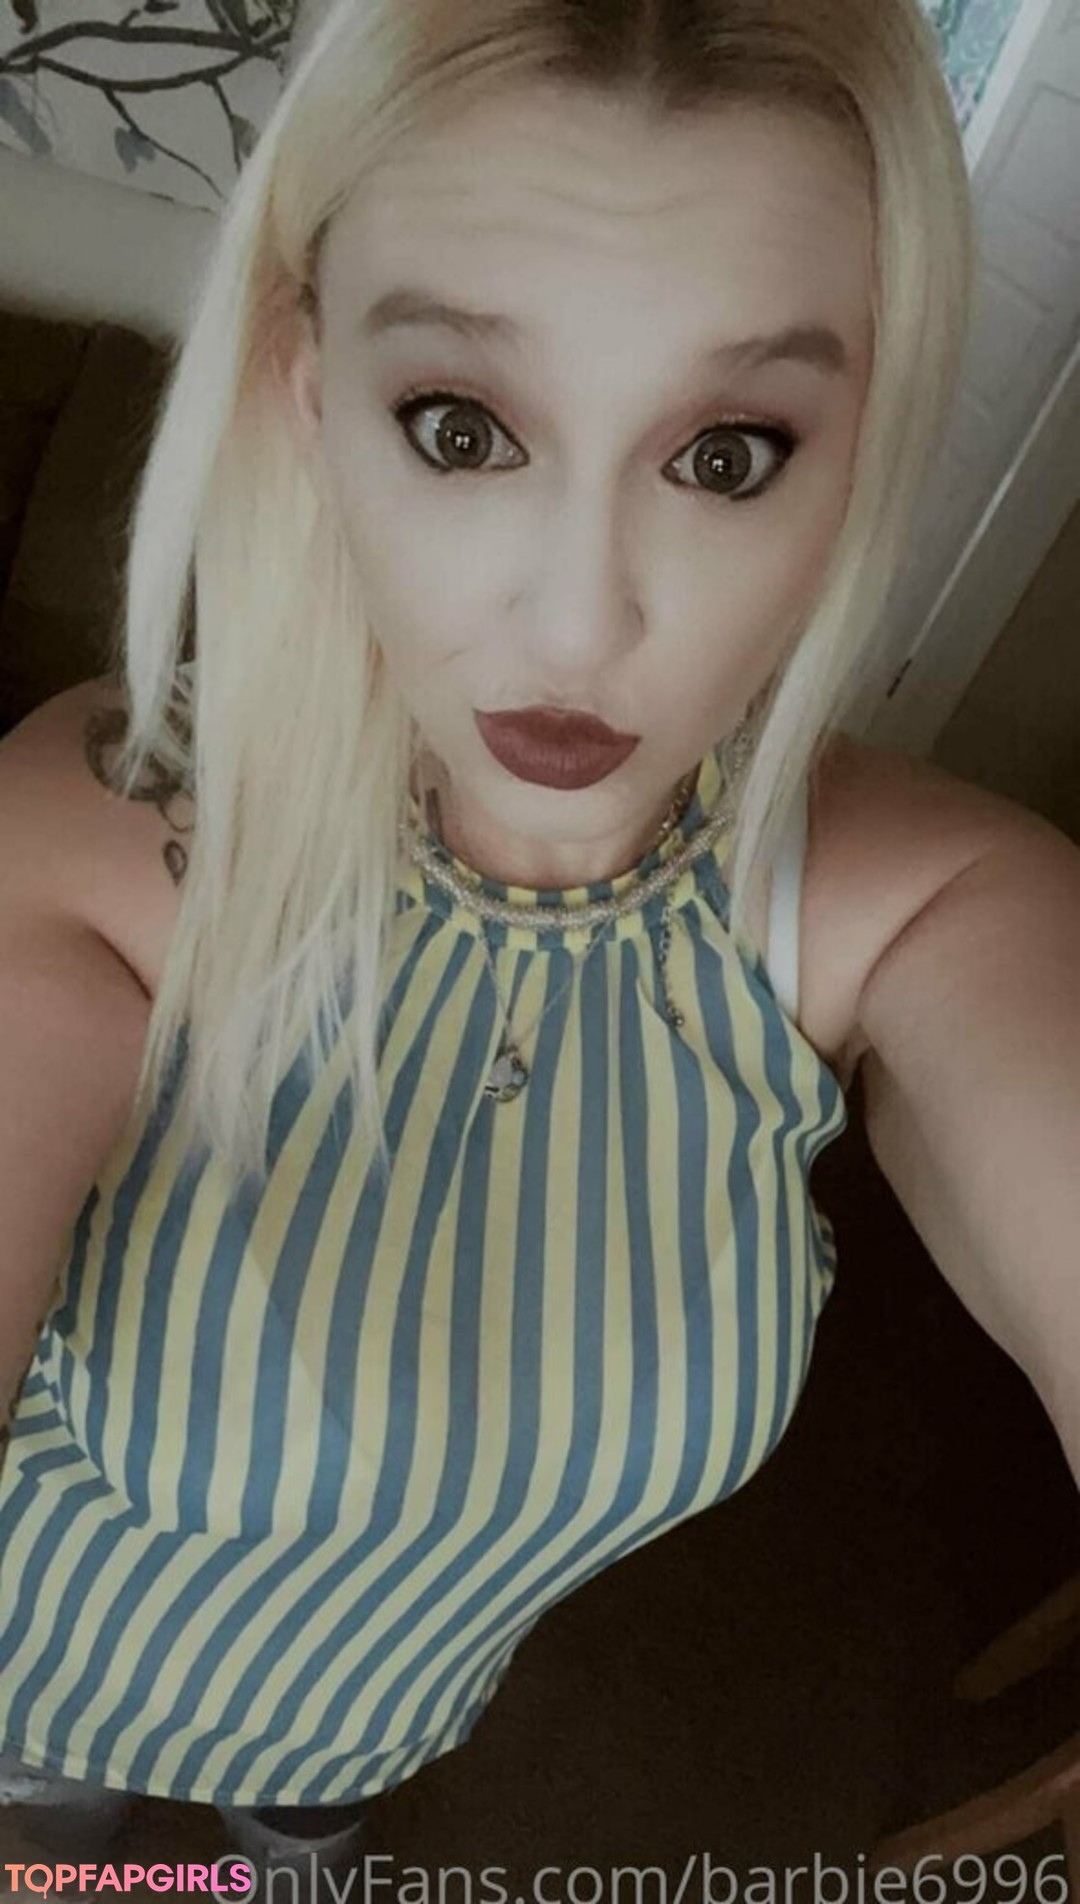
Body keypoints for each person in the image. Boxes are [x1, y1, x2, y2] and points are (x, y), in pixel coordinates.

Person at [1, 0, 1078, 1881]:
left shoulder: (916, 902)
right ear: (305, 392)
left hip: (372, 1731)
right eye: (461, 427)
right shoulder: (104, 852)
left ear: (858, 453)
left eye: (727, 453)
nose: (579, 624)